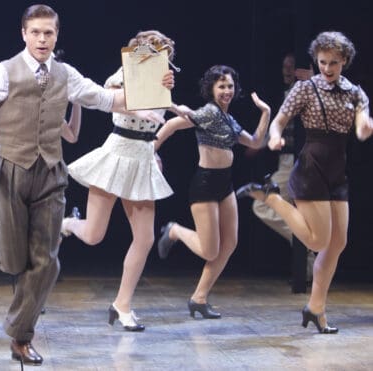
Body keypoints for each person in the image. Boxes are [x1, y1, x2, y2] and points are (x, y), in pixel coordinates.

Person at [0, 4, 174, 365]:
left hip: (51, 173)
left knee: (47, 263)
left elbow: (105, 98)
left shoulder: (66, 74)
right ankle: (14, 275)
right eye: (36, 32)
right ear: (24, 34)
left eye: (48, 33)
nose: (42, 39)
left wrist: (151, 91)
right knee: (13, 259)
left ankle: (21, 336)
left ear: (56, 35)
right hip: (10, 171)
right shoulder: (4, 70)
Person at [236, 31, 373, 333]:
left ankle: (316, 308)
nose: (327, 68)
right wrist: (274, 137)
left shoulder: (355, 93)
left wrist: (365, 127)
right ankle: (271, 197)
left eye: (333, 62)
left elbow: (362, 125)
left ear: (344, 61)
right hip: (312, 165)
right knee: (317, 241)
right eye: (322, 62)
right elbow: (279, 120)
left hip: (337, 169)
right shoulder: (305, 88)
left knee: (337, 243)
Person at [61, 30, 178, 332]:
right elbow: (110, 97)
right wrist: (145, 99)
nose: (161, 58)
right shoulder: (123, 75)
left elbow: (159, 116)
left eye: (165, 54)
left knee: (145, 238)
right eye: (155, 51)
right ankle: (68, 223)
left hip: (142, 157)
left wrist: (174, 106)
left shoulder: (163, 81)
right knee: (93, 234)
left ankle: (122, 304)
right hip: (117, 154)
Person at [154, 65, 270, 319]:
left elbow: (255, 142)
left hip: (225, 185)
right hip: (205, 184)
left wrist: (266, 112)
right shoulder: (209, 112)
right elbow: (173, 124)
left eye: (230, 86)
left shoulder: (228, 120)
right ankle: (174, 230)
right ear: (211, 89)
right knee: (210, 250)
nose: (227, 91)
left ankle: (199, 298)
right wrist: (152, 149)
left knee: (229, 243)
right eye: (221, 86)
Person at [247, 54, 315, 279]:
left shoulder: (306, 91)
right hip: (287, 159)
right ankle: (308, 259)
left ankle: (306, 245)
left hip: (299, 161)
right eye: (284, 66)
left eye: (291, 66)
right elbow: (281, 125)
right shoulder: (289, 94)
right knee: (279, 207)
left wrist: (314, 80)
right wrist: (260, 143)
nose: (287, 70)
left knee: (263, 204)